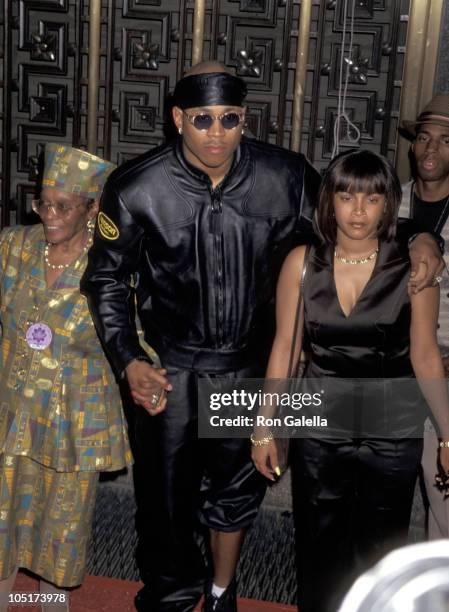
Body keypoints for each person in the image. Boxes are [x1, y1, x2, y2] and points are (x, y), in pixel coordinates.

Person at [80, 60, 443, 612]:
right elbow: (105, 278)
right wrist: (128, 357)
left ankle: (222, 592)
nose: (218, 133)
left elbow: (354, 216)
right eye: (203, 120)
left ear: (244, 119)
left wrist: (422, 239)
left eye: (231, 119)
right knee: (166, 502)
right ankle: (172, 599)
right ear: (179, 118)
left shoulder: (286, 176)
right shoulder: (137, 186)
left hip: (252, 366)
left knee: (236, 492)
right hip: (172, 373)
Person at [252, 150, 449, 612]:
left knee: (379, 548)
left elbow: (424, 357)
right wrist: (263, 426)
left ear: (388, 205)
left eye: (373, 199)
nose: (359, 211)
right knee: (318, 545)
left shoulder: (413, 271)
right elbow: (285, 347)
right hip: (321, 427)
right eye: (346, 196)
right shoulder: (302, 263)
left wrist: (447, 435)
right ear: (330, 202)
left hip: (391, 430)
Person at [0, 144, 132, 611]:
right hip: (10, 415)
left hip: (73, 425)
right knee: (2, 531)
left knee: (60, 539)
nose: (49, 215)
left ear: (92, 208)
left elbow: (136, 340)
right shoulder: (13, 247)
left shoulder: (109, 266)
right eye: (43, 203)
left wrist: (148, 376)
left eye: (63, 206)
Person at [398, 93, 449, 539]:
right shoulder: (383, 205)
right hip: (388, 372)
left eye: (446, 140)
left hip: (443, 370)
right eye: (425, 139)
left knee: (445, 499)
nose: (432, 149)